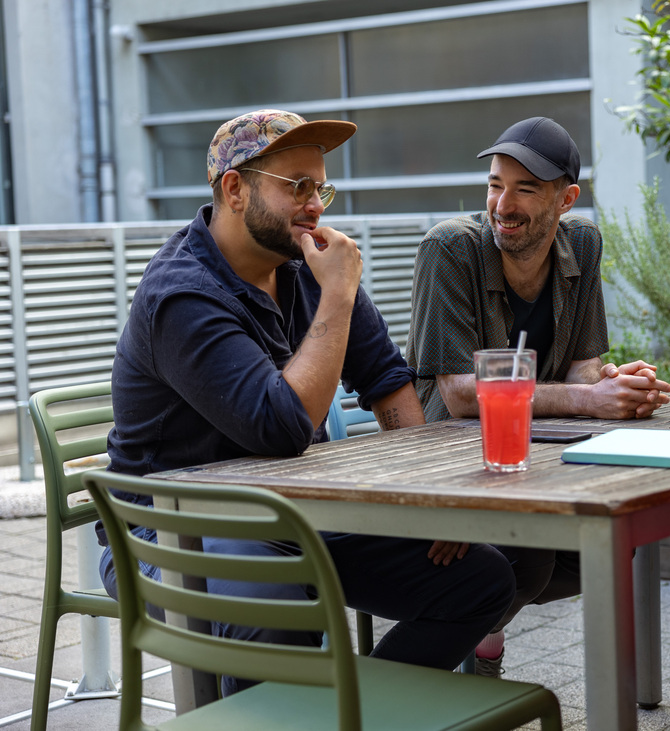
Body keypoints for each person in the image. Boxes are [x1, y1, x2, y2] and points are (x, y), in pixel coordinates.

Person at [97, 109, 515, 696]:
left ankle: (353, 712)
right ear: (235, 189)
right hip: (168, 531)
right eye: (297, 186)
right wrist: (340, 293)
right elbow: (282, 426)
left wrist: (427, 502)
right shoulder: (182, 294)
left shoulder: (309, 270)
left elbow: (390, 384)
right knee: (275, 601)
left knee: (481, 579)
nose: (315, 203)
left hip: (294, 517)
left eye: (320, 187)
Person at [405, 116, 670, 677]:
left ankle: (475, 629)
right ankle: (440, 662)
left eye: (525, 188)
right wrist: (590, 401)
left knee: (607, 546)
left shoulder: (582, 244)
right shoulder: (449, 250)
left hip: (537, 454)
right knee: (525, 561)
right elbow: (458, 396)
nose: (504, 204)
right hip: (452, 463)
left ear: (565, 198)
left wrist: (613, 383)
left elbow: (582, 369)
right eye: (496, 185)